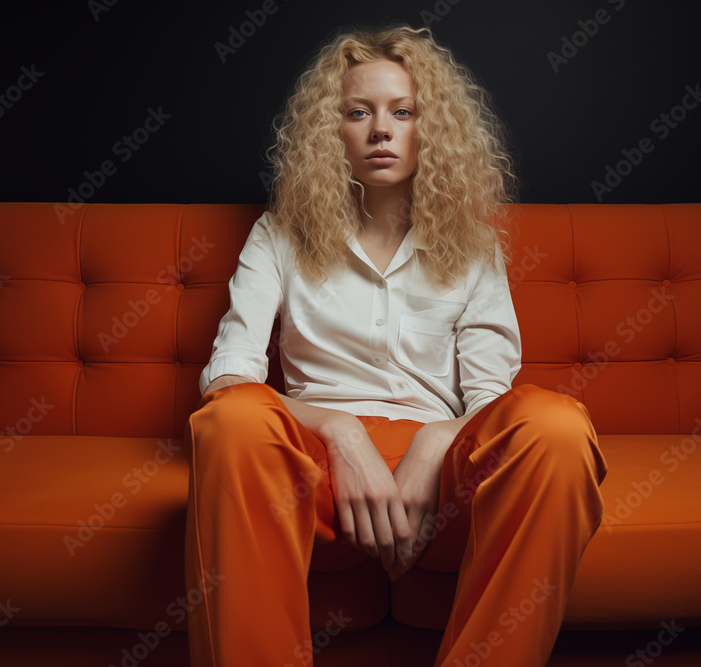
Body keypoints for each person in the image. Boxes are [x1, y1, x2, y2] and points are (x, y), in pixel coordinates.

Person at [183, 23, 608, 667]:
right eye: (359, 112)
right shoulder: (278, 235)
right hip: (313, 484)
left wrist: (434, 443)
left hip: (444, 489)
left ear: (428, 130)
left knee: (556, 426)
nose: (381, 130)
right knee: (232, 421)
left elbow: (490, 403)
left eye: (402, 112)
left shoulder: (475, 247)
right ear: (331, 132)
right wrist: (342, 434)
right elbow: (227, 381)